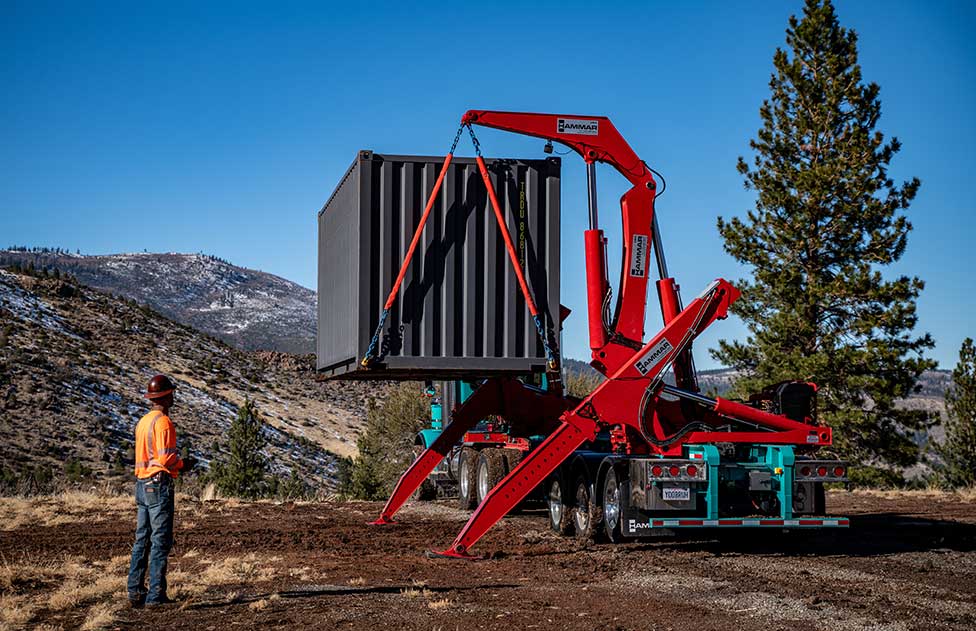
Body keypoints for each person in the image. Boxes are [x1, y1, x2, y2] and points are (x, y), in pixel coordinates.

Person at [126, 374, 193, 608]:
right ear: (166, 396)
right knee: (159, 540)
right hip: (159, 485)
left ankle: (135, 591)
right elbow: (166, 458)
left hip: (142, 485)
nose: (173, 397)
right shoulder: (164, 423)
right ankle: (156, 595)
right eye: (171, 393)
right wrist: (184, 464)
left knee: (142, 539)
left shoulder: (143, 421)